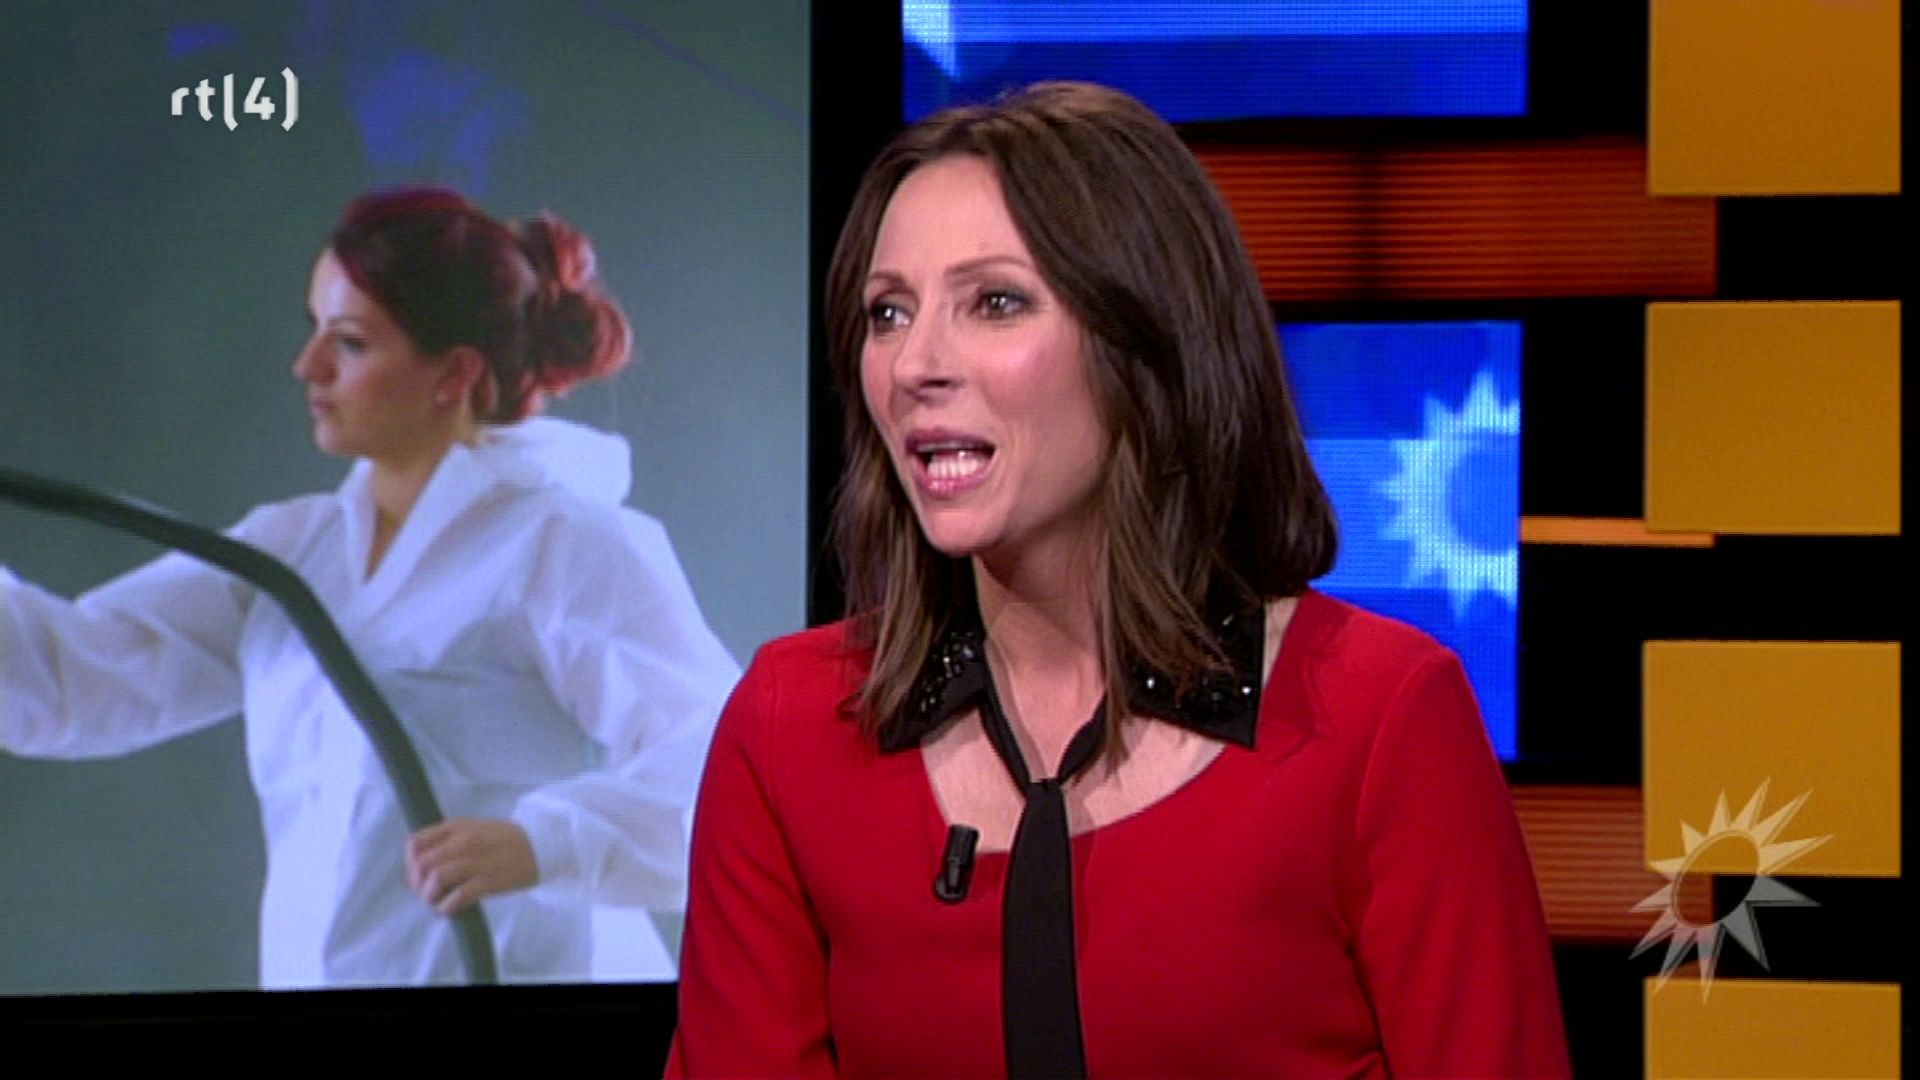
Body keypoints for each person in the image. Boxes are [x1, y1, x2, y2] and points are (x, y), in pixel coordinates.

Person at [670, 83, 1569, 1077]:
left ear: (1145, 342)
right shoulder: (790, 730)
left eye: (995, 302)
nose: (915, 363)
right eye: (888, 312)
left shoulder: (1377, 721)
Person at [0, 187, 740, 988]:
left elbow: (731, 765)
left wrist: (546, 843)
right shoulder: (290, 552)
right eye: (314, 329)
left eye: (349, 342)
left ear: (454, 373)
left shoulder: (561, 543)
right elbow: (64, 686)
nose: (308, 367)